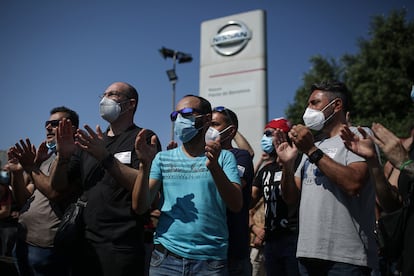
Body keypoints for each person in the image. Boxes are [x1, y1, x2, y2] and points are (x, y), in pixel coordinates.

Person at [46, 82, 161, 276]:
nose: (104, 99)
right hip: (84, 243)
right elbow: (57, 188)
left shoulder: (143, 138)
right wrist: (62, 156)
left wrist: (105, 157)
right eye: (104, 94)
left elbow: (145, 186)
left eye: (113, 94)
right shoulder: (89, 141)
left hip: (121, 247)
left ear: (131, 104)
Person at [274, 80, 378, 275]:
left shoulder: (358, 136)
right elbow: (290, 198)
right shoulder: (313, 145)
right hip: (307, 254)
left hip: (347, 258)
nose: (308, 110)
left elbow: (353, 184)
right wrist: (288, 165)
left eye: (314, 103)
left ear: (336, 105)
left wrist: (312, 151)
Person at [134, 94, 242, 275]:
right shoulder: (162, 158)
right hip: (165, 258)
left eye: (186, 113)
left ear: (206, 119)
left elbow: (236, 204)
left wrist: (214, 167)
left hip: (210, 261)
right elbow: (140, 206)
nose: (179, 120)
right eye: (175, 116)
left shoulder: (224, 157)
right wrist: (144, 165)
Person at [6, 106, 79, 276]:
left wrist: (30, 167)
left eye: (55, 123)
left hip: (47, 247)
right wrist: (17, 173)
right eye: (47, 123)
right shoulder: (47, 158)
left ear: (72, 129)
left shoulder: (76, 157)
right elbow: (24, 199)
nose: (48, 127)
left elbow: (54, 193)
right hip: (24, 241)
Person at [339, 122, 414, 275]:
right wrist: (372, 161)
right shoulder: (409, 149)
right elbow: (392, 204)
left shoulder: (406, 159)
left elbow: (406, 165)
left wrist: (406, 164)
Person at [249, 117, 300, 276]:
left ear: (282, 135)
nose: (264, 138)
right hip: (271, 241)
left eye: (268, 133)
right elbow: (249, 200)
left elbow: (292, 198)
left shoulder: (297, 164)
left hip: (292, 238)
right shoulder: (266, 169)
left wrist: (286, 165)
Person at [211, 106, 254, 275]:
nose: (209, 129)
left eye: (214, 124)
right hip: (206, 249)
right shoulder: (201, 156)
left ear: (231, 131)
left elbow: (232, 188)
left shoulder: (239, 156)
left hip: (233, 250)